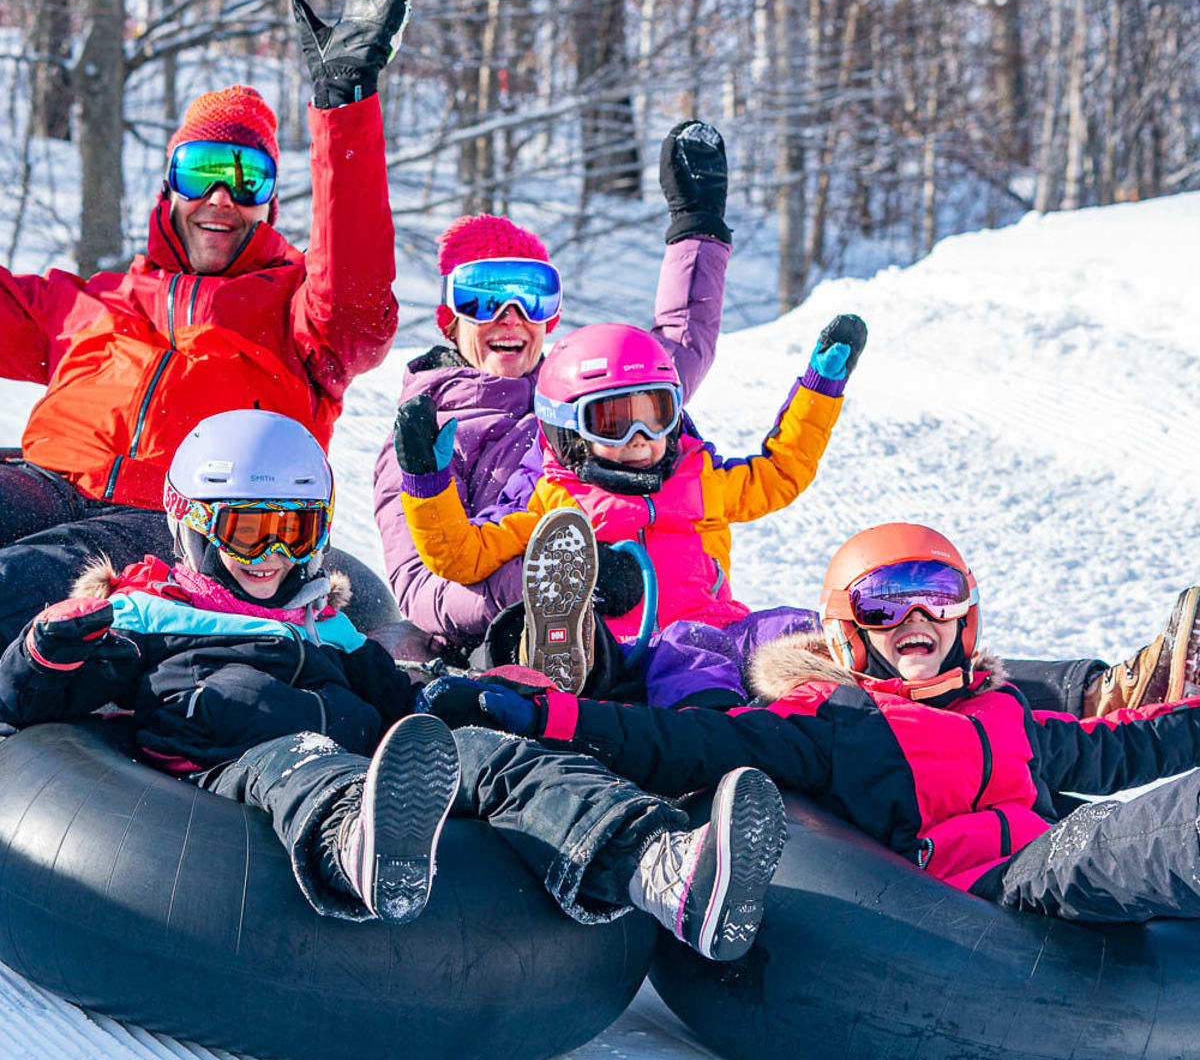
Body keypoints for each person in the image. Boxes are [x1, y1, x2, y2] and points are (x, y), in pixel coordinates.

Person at [0, 408, 786, 954]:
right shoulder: (142, 614)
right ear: (190, 519)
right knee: (302, 760)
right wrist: (48, 650)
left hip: (375, 761)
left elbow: (400, 705)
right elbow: (33, 700)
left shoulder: (329, 625)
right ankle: (361, 846)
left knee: (486, 752)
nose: (270, 553)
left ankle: (661, 863)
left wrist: (462, 695)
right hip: (235, 764)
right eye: (247, 528)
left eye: (293, 529)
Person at [426, 522, 1200, 923]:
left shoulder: (1008, 712)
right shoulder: (836, 721)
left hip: (1052, 864)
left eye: (937, 593)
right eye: (884, 604)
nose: (915, 616)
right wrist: (540, 710)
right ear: (844, 631)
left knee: (1124, 821)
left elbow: (1125, 746)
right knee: (1125, 838)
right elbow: (681, 742)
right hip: (987, 894)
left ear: (966, 614)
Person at [0, 0, 411, 647]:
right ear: (171, 186)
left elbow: (360, 300)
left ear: (269, 201)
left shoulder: (302, 315)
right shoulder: (90, 301)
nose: (221, 197)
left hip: (165, 523)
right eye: (203, 172)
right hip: (44, 483)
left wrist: (344, 106)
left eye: (246, 179)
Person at [372, 121, 735, 661]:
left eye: (532, 297)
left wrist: (697, 229)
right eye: (482, 298)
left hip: (656, 624)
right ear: (449, 319)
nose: (510, 318)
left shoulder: (581, 397)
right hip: (514, 644)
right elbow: (423, 589)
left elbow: (678, 348)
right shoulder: (427, 436)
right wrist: (561, 579)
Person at [390, 313, 866, 697]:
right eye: (613, 422)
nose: (641, 440)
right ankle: (714, 735)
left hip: (721, 626)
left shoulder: (698, 479)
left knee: (796, 630)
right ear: (568, 431)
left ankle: (863, 703)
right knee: (690, 656)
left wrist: (819, 390)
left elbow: (779, 475)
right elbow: (459, 554)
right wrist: (427, 482)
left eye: (655, 415)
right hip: (623, 650)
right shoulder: (551, 504)